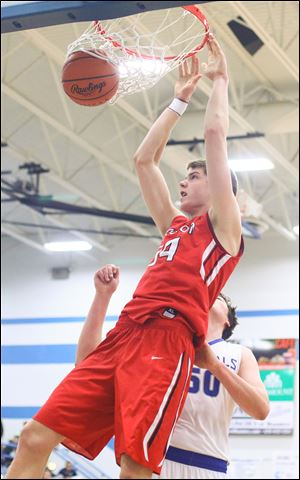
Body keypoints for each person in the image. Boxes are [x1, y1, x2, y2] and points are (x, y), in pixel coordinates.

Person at [6, 34, 244, 480]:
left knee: (134, 467)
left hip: (166, 340)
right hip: (125, 333)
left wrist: (222, 81)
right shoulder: (176, 226)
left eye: (196, 175)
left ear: (220, 189)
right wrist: (176, 102)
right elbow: (143, 161)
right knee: (35, 437)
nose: (185, 181)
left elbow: (215, 132)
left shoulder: (223, 232)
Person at [76, 265, 269, 479]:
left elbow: (261, 410)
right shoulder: (157, 343)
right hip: (151, 461)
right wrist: (103, 296)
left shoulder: (239, 353)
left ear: (228, 321)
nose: (209, 294)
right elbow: (86, 365)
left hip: (208, 464)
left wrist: (216, 366)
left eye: (218, 296)